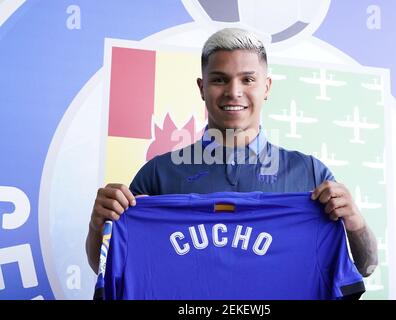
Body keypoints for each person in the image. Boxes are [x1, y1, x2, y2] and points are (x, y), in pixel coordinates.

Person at [86, 28, 378, 278]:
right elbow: (109, 268)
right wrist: (98, 225)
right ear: (202, 88)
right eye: (219, 79)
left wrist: (355, 223)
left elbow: (365, 267)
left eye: (248, 79)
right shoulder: (158, 174)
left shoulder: (311, 174)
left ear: (267, 87)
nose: (233, 91)